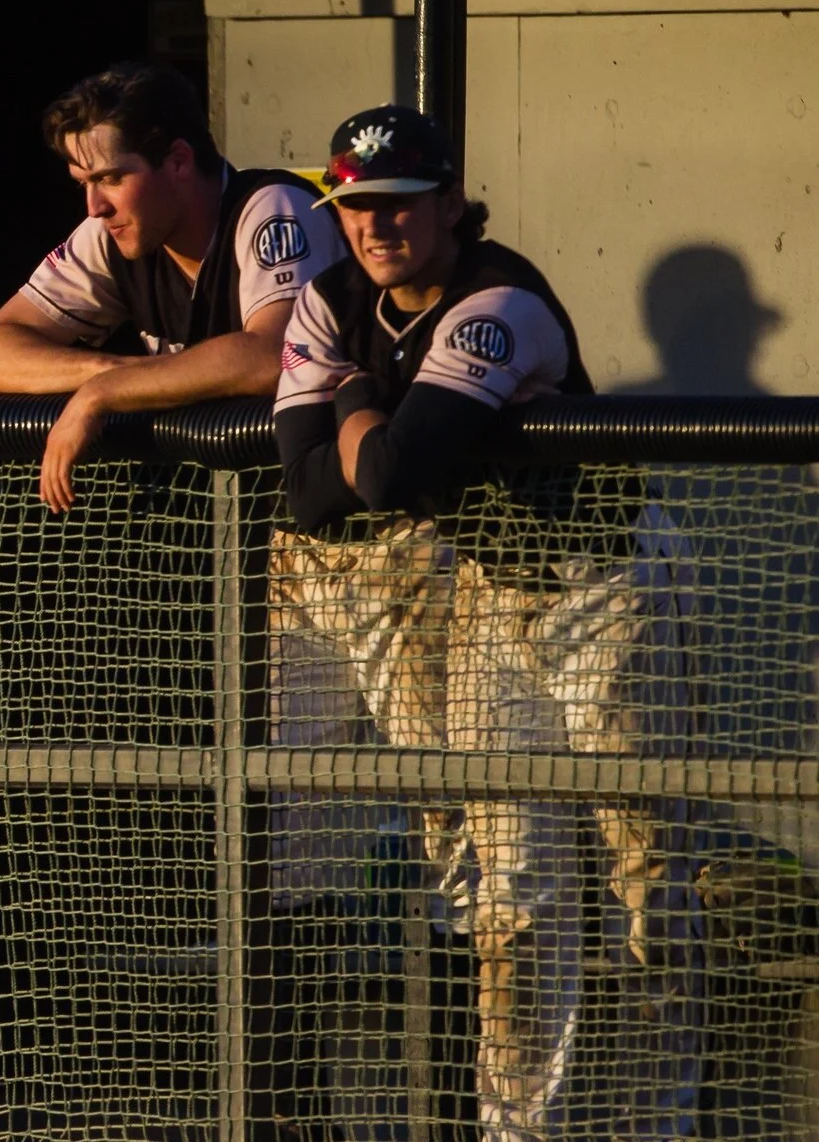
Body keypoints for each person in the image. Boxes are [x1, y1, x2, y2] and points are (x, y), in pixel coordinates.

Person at [273, 105, 699, 1140]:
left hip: (605, 581)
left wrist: (346, 403)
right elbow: (303, 493)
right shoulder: (330, 297)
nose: (376, 226)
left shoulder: (497, 295)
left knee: (643, 859)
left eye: (399, 203)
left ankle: (667, 1119)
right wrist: (363, 416)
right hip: (491, 595)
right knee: (515, 884)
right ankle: (519, 1128)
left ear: (449, 203)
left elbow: (391, 473)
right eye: (356, 205)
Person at [0, 61, 340, 510]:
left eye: (111, 178)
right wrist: (106, 376)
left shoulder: (273, 206)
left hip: (351, 517)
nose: (95, 205)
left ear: (178, 160)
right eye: (83, 183)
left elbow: (274, 355)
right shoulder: (109, 233)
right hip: (237, 529)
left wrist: (104, 394)